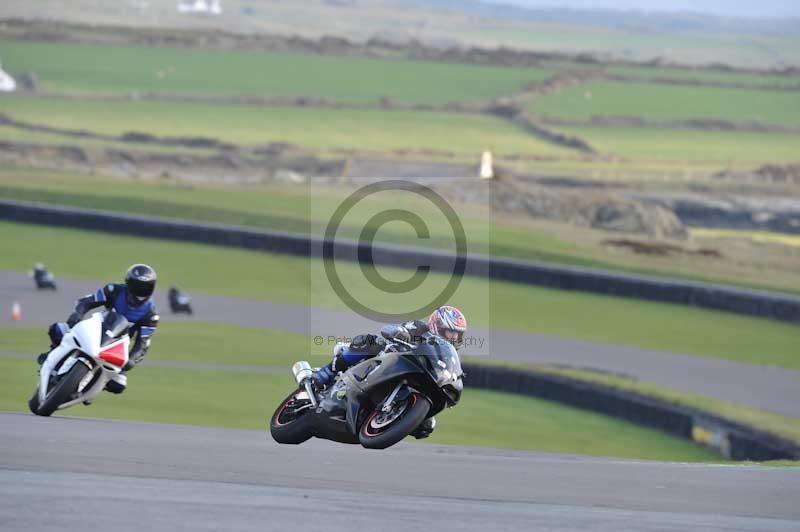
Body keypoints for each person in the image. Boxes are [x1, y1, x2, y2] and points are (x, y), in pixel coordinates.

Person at [312, 305, 467, 439]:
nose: (453, 338)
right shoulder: (419, 328)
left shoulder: (449, 356)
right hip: (388, 360)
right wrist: (399, 333)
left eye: (457, 335)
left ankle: (393, 417)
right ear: (436, 325)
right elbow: (391, 329)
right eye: (450, 332)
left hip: (413, 380)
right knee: (371, 342)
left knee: (426, 425)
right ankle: (327, 372)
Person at [38, 264, 160, 395]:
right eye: (137, 286)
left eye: (145, 288)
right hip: (96, 329)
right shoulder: (114, 290)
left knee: (118, 385)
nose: (140, 291)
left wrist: (131, 360)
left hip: (117, 345)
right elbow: (86, 302)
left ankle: (91, 388)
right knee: (58, 330)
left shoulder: (151, 314)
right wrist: (76, 315)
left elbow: (143, 343)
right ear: (128, 283)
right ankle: (52, 355)